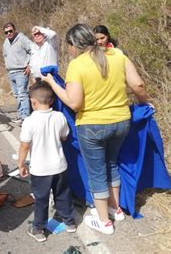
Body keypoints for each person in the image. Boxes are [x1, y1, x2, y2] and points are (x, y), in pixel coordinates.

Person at [42, 24, 150, 235]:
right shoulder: (117, 55)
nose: (70, 50)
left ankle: (104, 222)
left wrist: (52, 83)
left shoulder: (77, 65)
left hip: (92, 126)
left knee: (97, 172)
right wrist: (145, 103)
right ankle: (115, 209)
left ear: (74, 44)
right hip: (121, 122)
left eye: (69, 46)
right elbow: (138, 85)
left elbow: (74, 103)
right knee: (112, 164)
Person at [18, 80, 76, 242]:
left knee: (41, 199)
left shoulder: (29, 121)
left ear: (33, 102)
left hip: (40, 170)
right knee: (63, 194)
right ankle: (70, 222)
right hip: (59, 167)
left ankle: (38, 229)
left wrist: (21, 164)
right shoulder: (59, 116)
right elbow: (64, 136)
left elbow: (24, 146)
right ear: (51, 100)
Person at [2, 22, 34, 123]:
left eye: (10, 31)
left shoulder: (22, 39)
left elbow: (33, 50)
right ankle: (20, 115)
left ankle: (26, 117)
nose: (9, 34)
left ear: (14, 30)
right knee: (17, 95)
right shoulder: (5, 42)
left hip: (21, 71)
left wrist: (30, 65)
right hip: (11, 72)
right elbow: (5, 55)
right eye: (6, 32)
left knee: (22, 94)